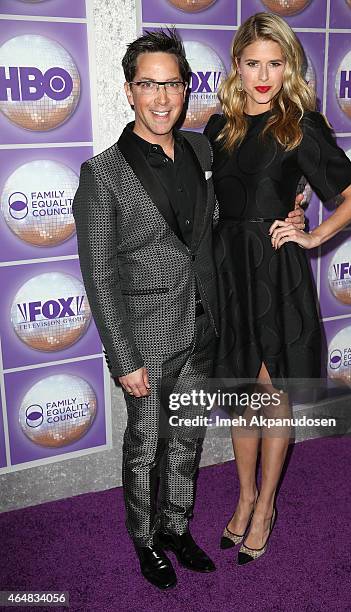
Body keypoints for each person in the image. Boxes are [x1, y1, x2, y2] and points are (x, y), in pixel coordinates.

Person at [204, 12, 351, 565]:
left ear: (289, 65)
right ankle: (244, 495)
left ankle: (267, 504)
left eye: (276, 63)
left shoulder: (300, 125)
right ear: (237, 65)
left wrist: (312, 232)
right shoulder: (217, 128)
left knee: (272, 397)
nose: (264, 74)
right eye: (253, 63)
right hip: (230, 277)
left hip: (275, 276)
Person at [73, 29, 222, 591]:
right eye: (148, 85)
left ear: (186, 88)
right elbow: (101, 275)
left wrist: (297, 207)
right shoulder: (103, 174)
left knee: (187, 438)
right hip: (146, 340)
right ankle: (144, 539)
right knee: (144, 445)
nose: (162, 98)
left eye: (173, 84)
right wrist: (123, 356)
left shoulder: (202, 151)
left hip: (201, 327)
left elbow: (225, 220)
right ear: (130, 90)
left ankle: (177, 527)